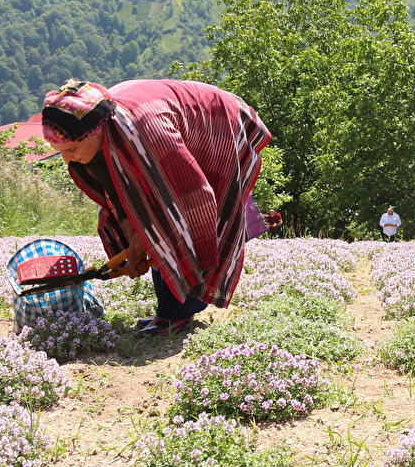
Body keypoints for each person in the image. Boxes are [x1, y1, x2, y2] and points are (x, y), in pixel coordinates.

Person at [41, 78, 271, 337]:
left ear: (96, 133)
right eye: (59, 151)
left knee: (177, 221)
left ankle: (179, 313)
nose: (67, 159)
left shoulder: (147, 133)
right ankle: (169, 311)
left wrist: (146, 239)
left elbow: (187, 199)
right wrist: (133, 242)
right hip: (167, 128)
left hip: (216, 123)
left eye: (71, 149)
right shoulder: (90, 144)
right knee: (154, 227)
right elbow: (120, 196)